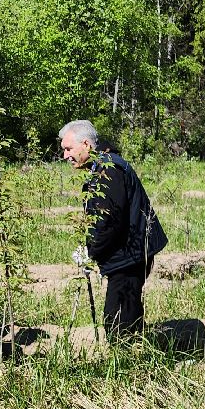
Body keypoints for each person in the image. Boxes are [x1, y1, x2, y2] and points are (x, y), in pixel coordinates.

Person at [59, 120, 168, 338]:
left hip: (131, 255)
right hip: (127, 252)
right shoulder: (101, 166)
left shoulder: (108, 171)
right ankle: (134, 353)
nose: (65, 156)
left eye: (68, 149)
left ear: (86, 145)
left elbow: (108, 222)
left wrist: (91, 253)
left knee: (118, 321)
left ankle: (128, 364)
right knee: (124, 315)